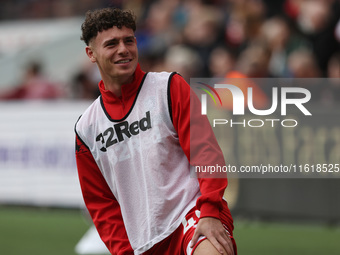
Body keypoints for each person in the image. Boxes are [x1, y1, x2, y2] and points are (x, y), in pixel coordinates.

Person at [74, 7, 236, 255]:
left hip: (194, 217)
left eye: (129, 40)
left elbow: (206, 154)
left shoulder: (169, 87)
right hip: (145, 243)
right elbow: (102, 204)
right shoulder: (86, 128)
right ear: (91, 53)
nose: (123, 49)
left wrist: (211, 210)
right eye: (111, 44)